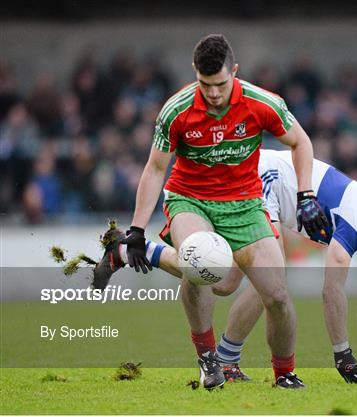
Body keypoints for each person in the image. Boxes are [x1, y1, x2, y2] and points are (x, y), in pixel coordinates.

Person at [93, 34, 328, 390]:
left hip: (246, 203)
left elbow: (301, 142)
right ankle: (209, 361)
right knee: (203, 264)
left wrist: (306, 195)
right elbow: (156, 169)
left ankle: (285, 374)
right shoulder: (177, 109)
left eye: (220, 84)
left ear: (233, 71)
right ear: (195, 74)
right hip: (190, 198)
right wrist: (138, 228)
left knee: (274, 295)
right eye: (206, 85)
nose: (214, 93)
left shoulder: (262, 102)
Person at [93, 148, 357, 385]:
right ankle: (229, 361)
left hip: (268, 187)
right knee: (272, 281)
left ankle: (127, 252)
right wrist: (342, 357)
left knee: (224, 281)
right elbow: (332, 289)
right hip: (260, 178)